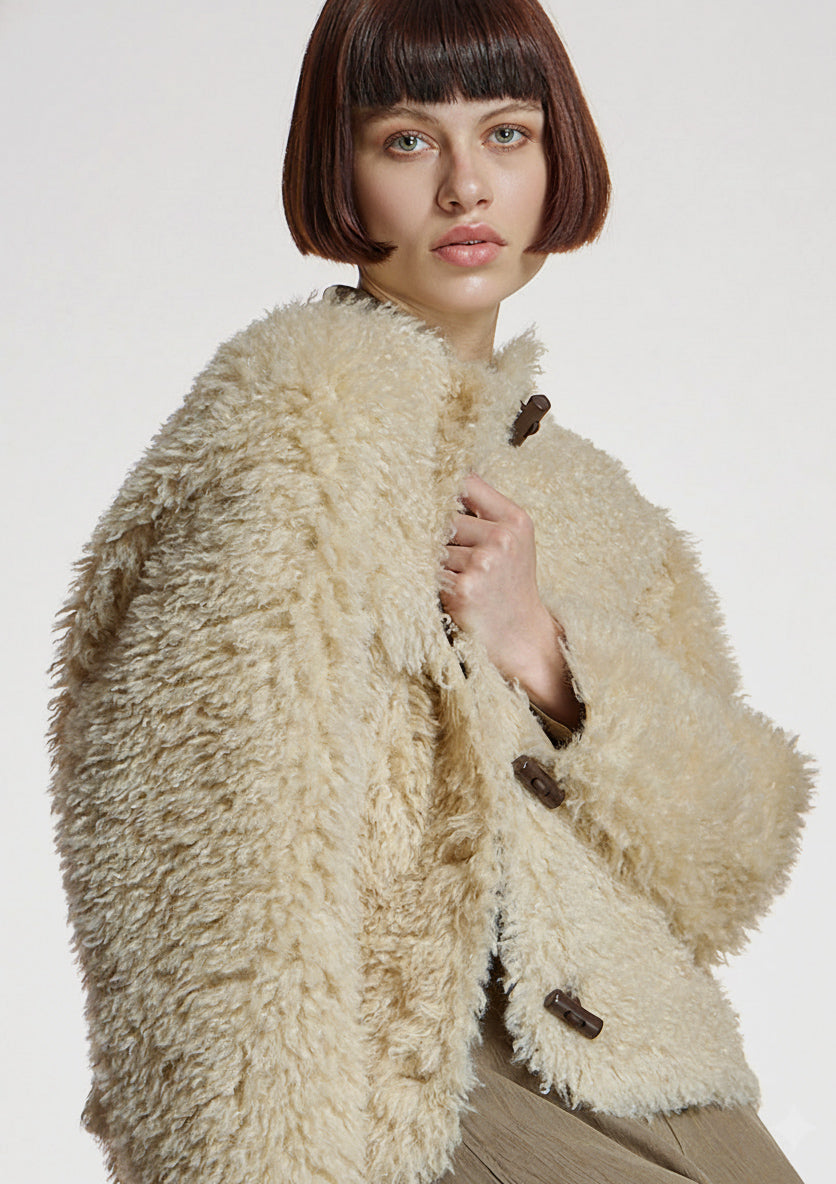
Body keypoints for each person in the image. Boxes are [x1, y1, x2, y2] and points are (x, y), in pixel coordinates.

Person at [48, 1, 812, 1182]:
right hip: (401, 1091)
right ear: (339, 171)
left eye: (507, 134)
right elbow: (199, 898)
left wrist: (548, 656)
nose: (466, 186)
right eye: (407, 140)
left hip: (643, 1064)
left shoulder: (590, 501)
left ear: (556, 161)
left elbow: (725, 870)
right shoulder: (291, 442)